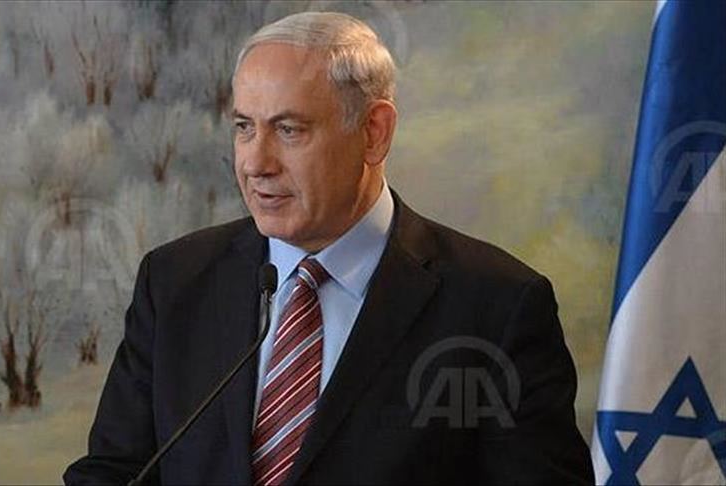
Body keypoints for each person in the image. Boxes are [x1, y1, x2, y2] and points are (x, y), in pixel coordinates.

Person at [64, 11, 594, 485]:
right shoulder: (175, 281)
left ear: (374, 132)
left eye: (289, 129)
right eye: (245, 127)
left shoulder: (496, 307)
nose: (255, 163)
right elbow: (112, 472)